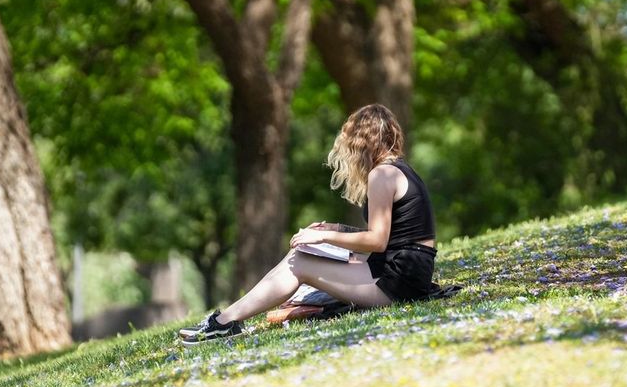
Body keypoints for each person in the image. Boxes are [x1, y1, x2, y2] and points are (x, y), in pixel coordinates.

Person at [179, 104, 439, 344]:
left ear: (362, 141)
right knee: (301, 254)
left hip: (398, 284)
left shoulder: (381, 174)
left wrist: (322, 239)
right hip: (405, 273)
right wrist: (334, 229)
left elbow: (377, 241)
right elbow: (392, 237)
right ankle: (226, 319)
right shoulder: (399, 169)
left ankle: (224, 323)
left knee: (300, 262)